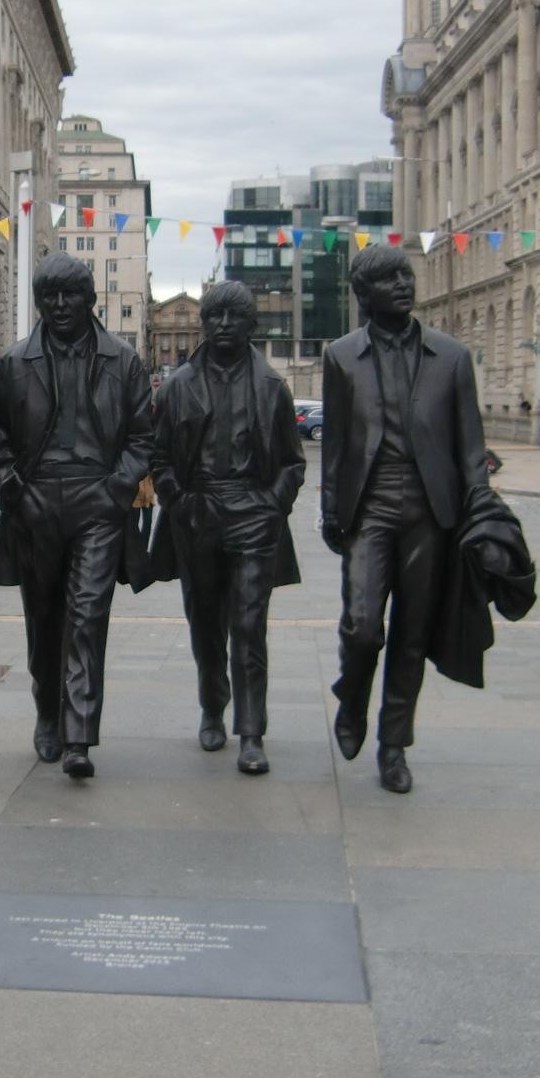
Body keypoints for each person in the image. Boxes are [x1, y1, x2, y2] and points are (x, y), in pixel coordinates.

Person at [319, 245, 489, 796]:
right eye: (389, 278)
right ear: (364, 295)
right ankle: (352, 695)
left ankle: (394, 746)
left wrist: (479, 513)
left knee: (411, 634)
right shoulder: (342, 356)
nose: (403, 284)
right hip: (368, 507)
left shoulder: (452, 357)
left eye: (406, 275)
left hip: (430, 511)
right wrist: (329, 508)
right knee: (363, 627)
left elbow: (470, 448)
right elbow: (337, 444)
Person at [0, 252, 154, 780]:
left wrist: (117, 489)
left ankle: (79, 734)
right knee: (44, 619)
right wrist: (14, 490)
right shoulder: (14, 363)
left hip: (97, 502)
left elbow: (144, 435)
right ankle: (46, 712)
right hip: (36, 503)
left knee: (86, 615)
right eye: (49, 296)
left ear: (90, 299)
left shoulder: (122, 360)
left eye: (70, 294)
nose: (59, 305)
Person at [148, 282, 305, 776]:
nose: (220, 325)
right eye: (213, 316)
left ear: (249, 325)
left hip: (253, 516)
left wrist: (271, 505)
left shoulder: (271, 387)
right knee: (205, 624)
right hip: (198, 515)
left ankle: (252, 731)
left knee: (249, 624)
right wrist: (180, 501)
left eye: (232, 317)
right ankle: (212, 706)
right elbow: (159, 456)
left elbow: (292, 463)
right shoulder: (178, 386)